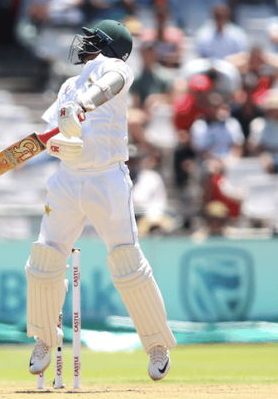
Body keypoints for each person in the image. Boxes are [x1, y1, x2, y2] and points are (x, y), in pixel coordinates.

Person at [25, 19, 176, 381]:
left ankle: (157, 344)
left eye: (93, 38)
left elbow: (113, 84)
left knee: (126, 260)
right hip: (66, 179)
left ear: (107, 45)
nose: (84, 43)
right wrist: (52, 141)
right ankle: (45, 338)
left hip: (106, 178)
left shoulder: (116, 67)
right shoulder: (66, 84)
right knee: (43, 259)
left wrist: (83, 105)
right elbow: (52, 133)